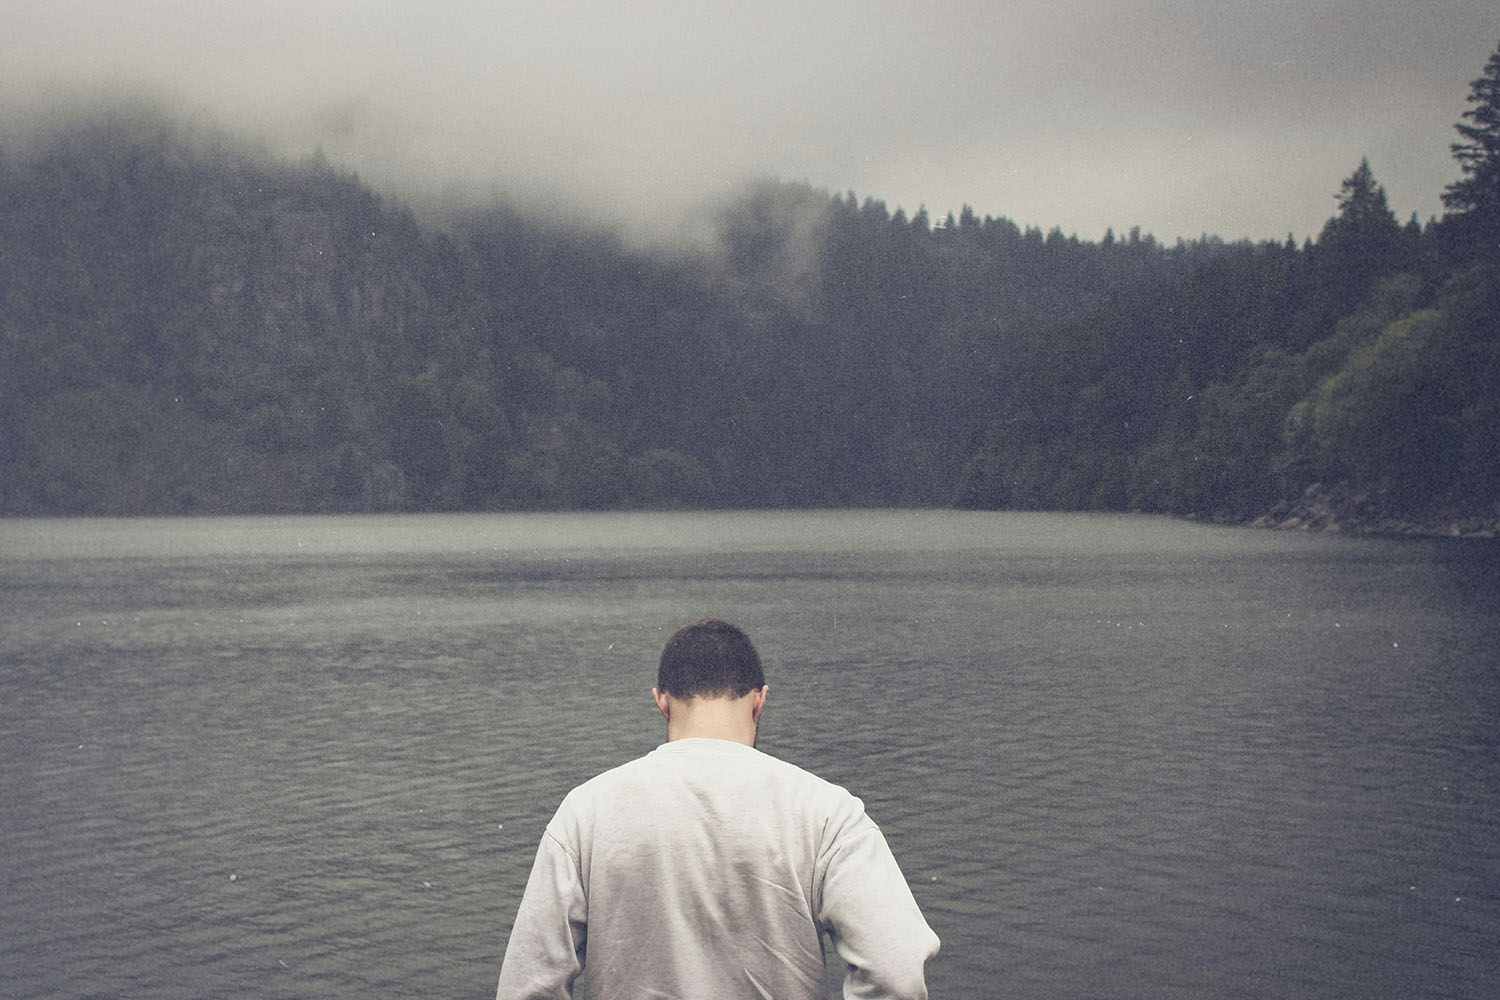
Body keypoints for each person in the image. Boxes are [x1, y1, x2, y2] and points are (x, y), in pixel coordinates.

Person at [496, 618, 939, 1000]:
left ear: (662, 701)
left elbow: (529, 986)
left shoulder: (585, 812)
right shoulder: (827, 813)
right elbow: (896, 973)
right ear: (760, 700)